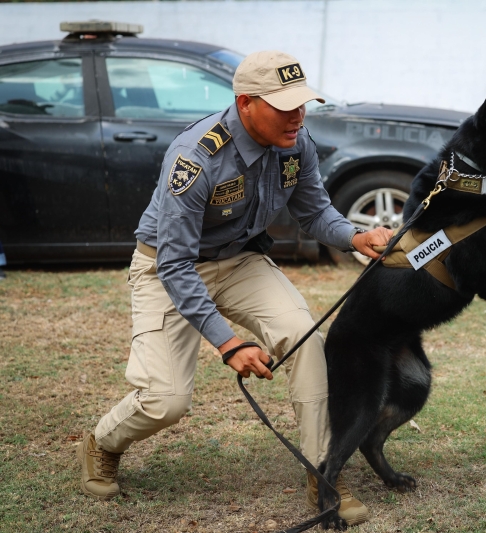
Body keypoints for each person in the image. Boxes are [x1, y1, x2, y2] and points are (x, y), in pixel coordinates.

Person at [78, 51, 391, 527]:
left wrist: (355, 236)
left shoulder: (296, 141)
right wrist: (228, 343)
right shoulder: (195, 157)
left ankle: (324, 470)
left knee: (305, 340)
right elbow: (176, 262)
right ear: (246, 104)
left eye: (302, 104)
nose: (298, 116)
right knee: (166, 402)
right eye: (284, 106)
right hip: (168, 270)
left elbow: (314, 211)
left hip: (240, 260)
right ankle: (103, 442)